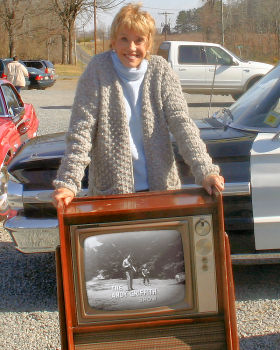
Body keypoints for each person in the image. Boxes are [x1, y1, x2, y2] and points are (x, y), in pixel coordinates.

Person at [52, 3, 224, 208]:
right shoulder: (97, 70)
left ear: (148, 44)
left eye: (139, 40)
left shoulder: (161, 72)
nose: (131, 47)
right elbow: (81, 131)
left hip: (161, 191)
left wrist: (205, 170)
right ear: (113, 41)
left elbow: (182, 125)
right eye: (124, 39)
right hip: (111, 194)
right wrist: (69, 183)